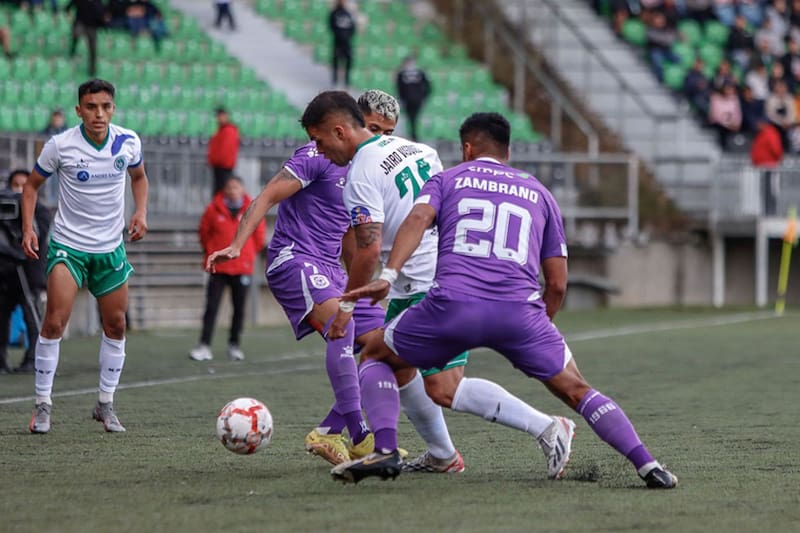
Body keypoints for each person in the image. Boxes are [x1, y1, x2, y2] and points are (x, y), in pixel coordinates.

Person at [333, 112, 678, 490]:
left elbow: (417, 219)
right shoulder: (540, 193)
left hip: (453, 306)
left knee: (376, 354)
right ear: (508, 152)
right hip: (520, 312)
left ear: (467, 149)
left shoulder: (448, 179)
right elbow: (557, 283)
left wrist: (388, 275)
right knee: (577, 389)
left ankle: (386, 449)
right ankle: (648, 465)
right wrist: (538, 327)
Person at [304, 91, 576, 477]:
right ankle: (440, 454)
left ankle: (547, 427)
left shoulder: (360, 173)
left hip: (430, 283)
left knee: (440, 385)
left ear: (339, 130)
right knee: (399, 368)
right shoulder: (421, 150)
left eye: (318, 140)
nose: (319, 150)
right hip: (426, 275)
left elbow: (368, 248)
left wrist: (348, 306)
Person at [20, 79, 149, 434]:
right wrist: (28, 228)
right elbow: (31, 186)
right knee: (54, 323)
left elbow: (139, 177)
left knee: (116, 324)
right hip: (69, 246)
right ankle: (42, 405)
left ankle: (105, 404)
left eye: (105, 107)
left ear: (113, 109)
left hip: (110, 247)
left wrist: (140, 212)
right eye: (91, 107)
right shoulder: (60, 145)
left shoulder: (128, 141)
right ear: (79, 111)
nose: (99, 114)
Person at [190, 176, 266, 362]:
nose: (232, 191)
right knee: (211, 307)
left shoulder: (252, 209)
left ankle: (234, 345)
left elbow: (259, 237)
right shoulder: (213, 209)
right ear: (224, 190)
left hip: (242, 267)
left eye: (236, 187)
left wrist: (247, 254)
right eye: (229, 187)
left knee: (239, 309)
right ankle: (204, 345)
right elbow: (204, 233)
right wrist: (211, 252)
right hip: (219, 268)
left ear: (242, 189)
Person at [0, 170, 50, 374]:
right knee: (2, 316)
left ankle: (34, 359)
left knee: (32, 315)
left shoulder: (41, 211)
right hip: (5, 272)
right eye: (15, 185)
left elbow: (40, 235)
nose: (19, 190)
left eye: (24, 185)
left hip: (29, 272)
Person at [750, 119, 784, 215]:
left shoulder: (769, 133)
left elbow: (776, 150)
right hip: (764, 167)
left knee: (769, 191)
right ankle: (767, 211)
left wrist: (774, 161)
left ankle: (770, 212)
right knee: (766, 191)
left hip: (769, 168)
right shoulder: (765, 133)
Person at [66, 0, 106, 77]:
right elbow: (68, 7)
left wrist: (102, 22)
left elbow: (102, 13)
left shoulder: (97, 2)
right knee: (76, 33)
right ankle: (72, 50)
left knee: (93, 49)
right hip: (81, 23)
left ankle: (92, 70)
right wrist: (70, 17)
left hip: (92, 27)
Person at [396, 54, 431, 141]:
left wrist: (423, 96)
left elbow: (428, 86)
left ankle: (414, 135)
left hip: (415, 100)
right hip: (409, 100)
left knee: (414, 118)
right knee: (410, 118)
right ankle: (412, 135)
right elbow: (399, 88)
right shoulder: (402, 74)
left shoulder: (419, 73)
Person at [207, 106, 240, 197]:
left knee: (223, 193)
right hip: (219, 166)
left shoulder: (228, 131)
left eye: (221, 115)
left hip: (224, 167)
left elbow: (225, 151)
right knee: (220, 192)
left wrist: (217, 161)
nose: (218, 118)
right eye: (218, 116)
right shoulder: (222, 130)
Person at [328, 0, 355, 87]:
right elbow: (331, 26)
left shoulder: (348, 14)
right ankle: (335, 81)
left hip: (347, 42)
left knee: (349, 60)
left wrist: (347, 36)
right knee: (336, 60)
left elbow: (353, 27)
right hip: (338, 41)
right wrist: (339, 35)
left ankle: (347, 81)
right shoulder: (334, 13)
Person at [708, 83, 742, 149]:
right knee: (722, 129)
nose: (730, 91)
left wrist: (737, 123)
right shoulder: (715, 98)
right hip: (718, 122)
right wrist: (727, 124)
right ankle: (723, 147)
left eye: (731, 89)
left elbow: (738, 113)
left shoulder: (734, 98)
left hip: (731, 123)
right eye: (728, 89)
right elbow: (716, 114)